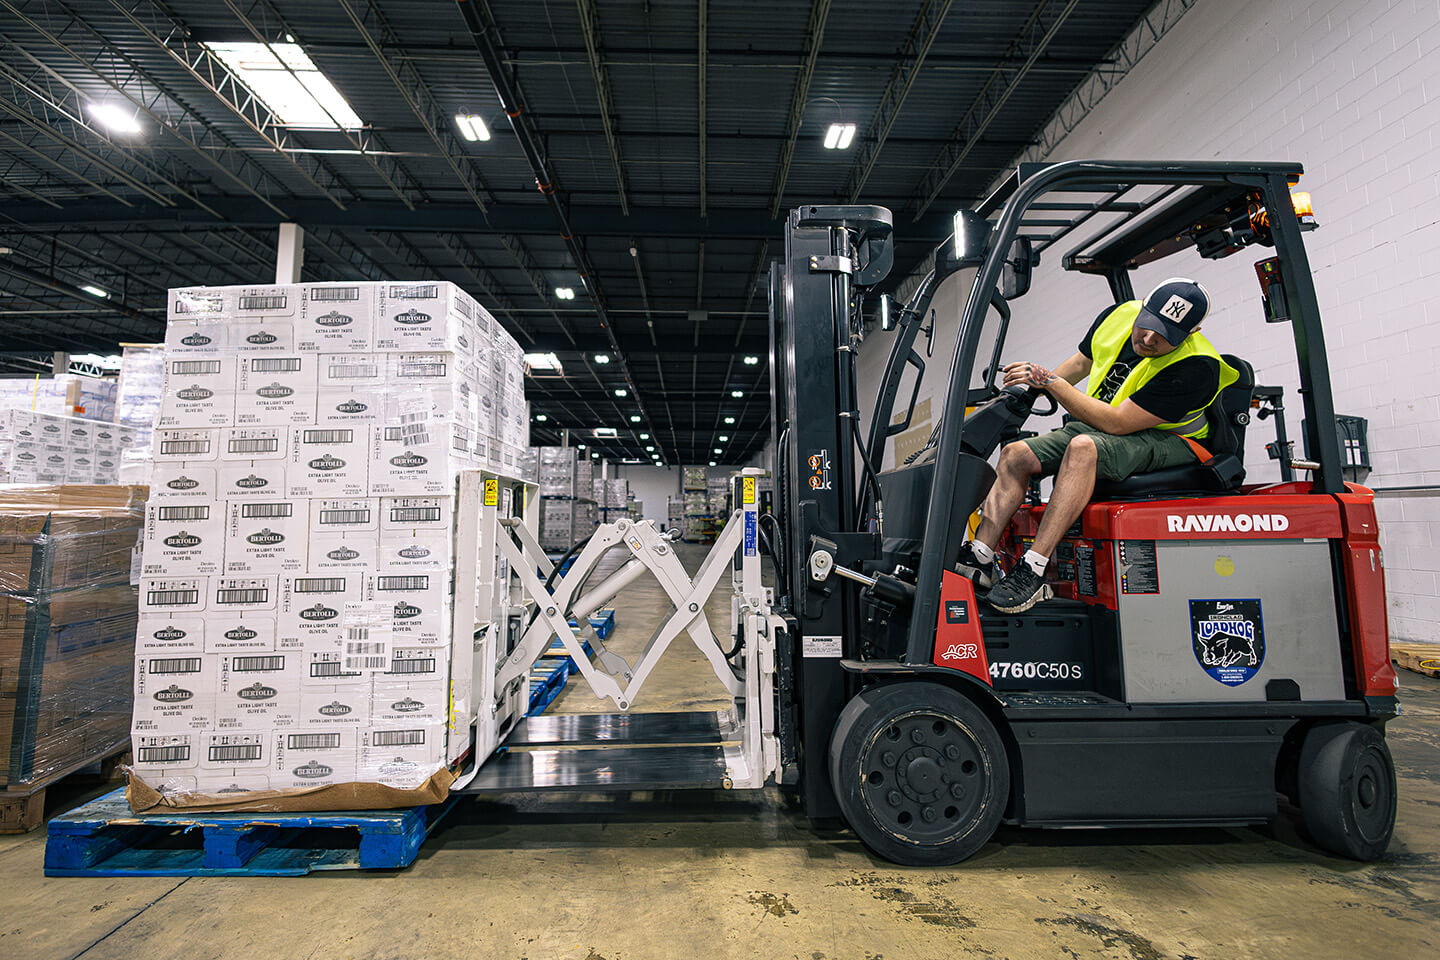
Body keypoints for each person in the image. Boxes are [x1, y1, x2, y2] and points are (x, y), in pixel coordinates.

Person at [955, 278, 1238, 614]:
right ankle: (980, 559)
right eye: (1146, 326)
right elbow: (1078, 365)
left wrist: (1049, 381)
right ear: (1143, 303)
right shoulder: (1118, 316)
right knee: (1015, 454)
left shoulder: (1196, 367)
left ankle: (1032, 568)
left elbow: (1116, 423)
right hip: (1103, 426)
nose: (1147, 339)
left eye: (1164, 337)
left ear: (1192, 332)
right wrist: (1031, 392)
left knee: (1083, 448)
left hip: (1172, 440)